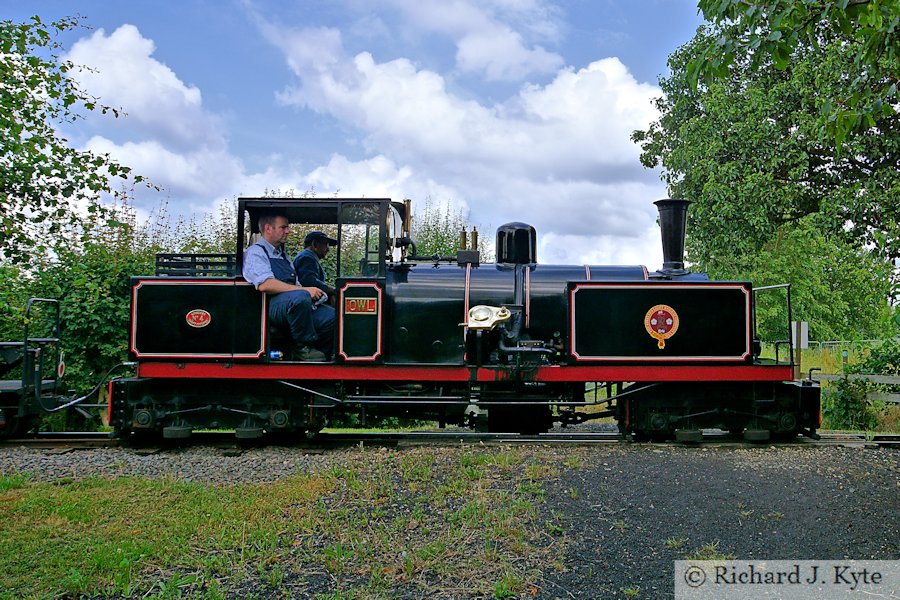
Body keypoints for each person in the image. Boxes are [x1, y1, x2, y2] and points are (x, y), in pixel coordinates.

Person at [242, 213, 334, 360]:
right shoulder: (256, 253)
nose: (288, 231)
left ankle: (321, 354)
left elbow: (295, 283)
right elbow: (265, 284)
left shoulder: (284, 255)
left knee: (332, 317)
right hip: (268, 306)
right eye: (283, 227)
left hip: (292, 304)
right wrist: (304, 290)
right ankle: (301, 348)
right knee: (301, 297)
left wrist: (318, 296)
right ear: (268, 229)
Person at [293, 230, 338, 302]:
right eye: (325, 244)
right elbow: (309, 281)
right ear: (314, 244)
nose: (328, 249)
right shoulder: (307, 258)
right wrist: (332, 291)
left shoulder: (307, 257)